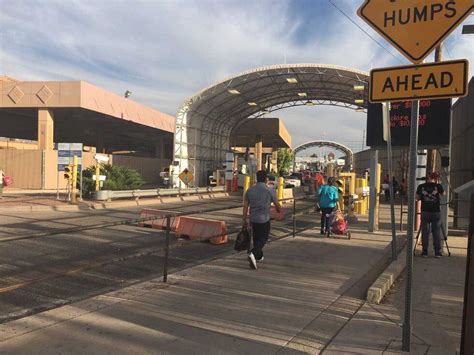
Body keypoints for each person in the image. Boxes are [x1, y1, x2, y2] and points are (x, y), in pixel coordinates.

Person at [242, 170, 282, 269]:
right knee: (263, 238)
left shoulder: (250, 190)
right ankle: (253, 253)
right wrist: (278, 209)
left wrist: (244, 220)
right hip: (264, 219)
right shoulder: (270, 190)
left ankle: (258, 257)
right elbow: (277, 205)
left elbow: (245, 206)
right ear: (266, 179)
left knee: (256, 238)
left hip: (253, 219)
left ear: (256, 178)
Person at [416, 172, 444, 258]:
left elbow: (417, 198)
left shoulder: (421, 186)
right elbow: (444, 194)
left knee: (425, 232)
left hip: (425, 212)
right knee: (436, 232)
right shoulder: (438, 186)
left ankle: (425, 252)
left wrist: (423, 195)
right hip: (436, 212)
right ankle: (437, 252)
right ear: (436, 179)